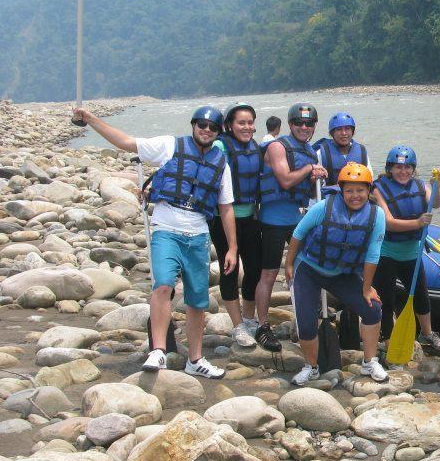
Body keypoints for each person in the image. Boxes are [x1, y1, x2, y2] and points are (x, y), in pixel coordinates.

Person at [72, 106, 236, 379]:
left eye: (212, 127)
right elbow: (126, 142)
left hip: (198, 235)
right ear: (194, 125)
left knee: (198, 300)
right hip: (166, 231)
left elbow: (226, 207)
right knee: (163, 285)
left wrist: (232, 247)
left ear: (218, 132)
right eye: (201, 125)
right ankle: (158, 350)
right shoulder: (170, 146)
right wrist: (90, 119)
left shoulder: (222, 164)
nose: (206, 130)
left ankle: (195, 359)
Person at [284, 162, 389, 384]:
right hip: (310, 269)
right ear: (341, 190)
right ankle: (311, 367)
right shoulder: (323, 207)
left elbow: (373, 255)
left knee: (373, 309)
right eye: (349, 190)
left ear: (368, 190)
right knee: (305, 321)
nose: (355, 196)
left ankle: (369, 362)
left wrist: (367, 287)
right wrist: (289, 264)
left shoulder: (376, 215)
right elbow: (298, 234)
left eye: (360, 190)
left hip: (342, 273)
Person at [255, 102, 328, 352]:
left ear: (314, 126)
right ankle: (262, 325)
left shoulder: (309, 151)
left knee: (305, 270)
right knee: (269, 273)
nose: (304, 127)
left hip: (297, 220)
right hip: (273, 220)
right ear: (290, 124)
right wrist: (310, 169)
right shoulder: (278, 146)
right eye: (299, 123)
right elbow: (285, 180)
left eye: (309, 123)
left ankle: (305, 319)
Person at [371, 146, 440, 358]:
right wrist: (418, 222)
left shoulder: (422, 185)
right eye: (398, 167)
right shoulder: (378, 189)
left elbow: (437, 203)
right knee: (386, 299)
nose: (403, 171)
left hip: (412, 253)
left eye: (407, 167)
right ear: (390, 168)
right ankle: (388, 340)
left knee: (421, 296)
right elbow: (388, 222)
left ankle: (427, 333)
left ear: (413, 169)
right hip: (386, 253)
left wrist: (437, 187)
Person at [211, 102, 264, 347]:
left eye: (250, 122)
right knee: (229, 268)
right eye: (241, 122)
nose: (246, 127)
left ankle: (250, 319)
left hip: (250, 216)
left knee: (254, 268)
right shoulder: (220, 146)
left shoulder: (255, 146)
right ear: (229, 125)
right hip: (223, 218)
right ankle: (237, 326)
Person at [313, 112, 372, 186]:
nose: (344, 133)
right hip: (331, 195)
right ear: (332, 133)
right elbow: (317, 187)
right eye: (339, 129)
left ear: (352, 131)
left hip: (356, 195)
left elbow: (370, 181)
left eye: (347, 129)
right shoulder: (321, 153)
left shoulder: (362, 151)